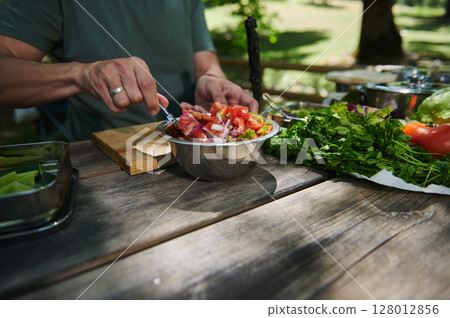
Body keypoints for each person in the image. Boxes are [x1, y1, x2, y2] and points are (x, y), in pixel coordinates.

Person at [0, 0, 258, 141]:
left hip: (192, 151)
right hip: (105, 159)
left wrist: (212, 79)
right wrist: (83, 75)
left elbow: (206, 63)